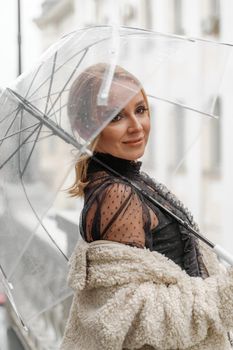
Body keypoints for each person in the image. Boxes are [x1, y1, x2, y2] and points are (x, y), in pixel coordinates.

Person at [60, 63, 233, 350]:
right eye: (116, 116)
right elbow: (141, 318)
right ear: (86, 127)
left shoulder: (124, 179)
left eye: (140, 110)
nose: (136, 126)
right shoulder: (118, 194)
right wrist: (227, 293)